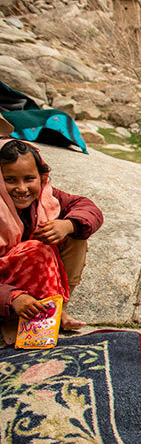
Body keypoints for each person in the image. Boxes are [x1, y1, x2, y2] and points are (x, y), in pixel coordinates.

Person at [0, 138, 103, 340]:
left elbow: (88, 209)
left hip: (34, 285)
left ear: (43, 177)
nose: (21, 189)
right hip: (6, 294)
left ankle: (56, 306)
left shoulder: (49, 198)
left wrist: (68, 225)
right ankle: (11, 320)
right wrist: (12, 298)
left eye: (29, 179)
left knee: (76, 234)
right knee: (35, 249)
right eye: (10, 180)